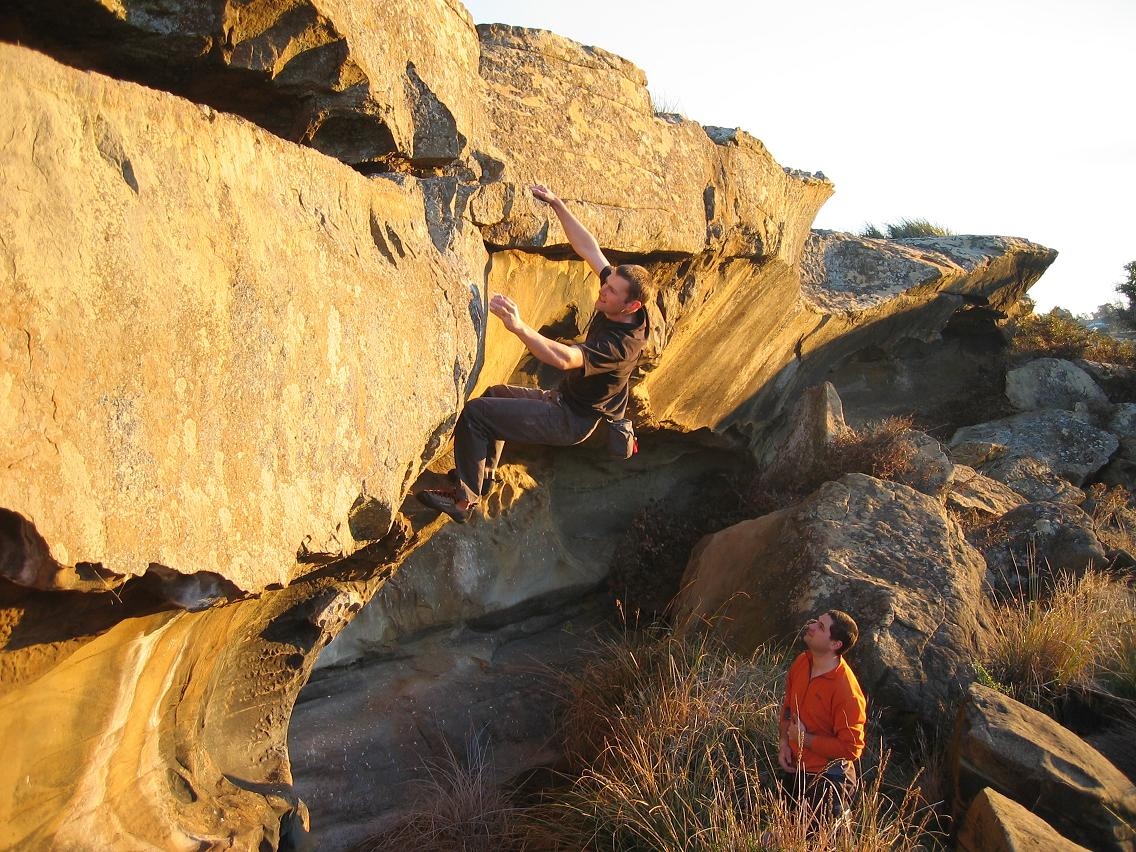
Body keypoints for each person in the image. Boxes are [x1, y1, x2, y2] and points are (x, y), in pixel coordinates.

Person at [416, 184, 651, 523]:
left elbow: (565, 359)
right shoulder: (621, 299)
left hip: (570, 420)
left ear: (632, 305)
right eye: (607, 282)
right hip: (563, 400)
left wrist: (518, 326)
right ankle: (484, 478)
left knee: (476, 414)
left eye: (612, 291)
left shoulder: (621, 345)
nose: (603, 290)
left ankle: (463, 502)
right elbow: (589, 248)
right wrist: (557, 204)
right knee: (494, 395)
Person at [777, 609, 867, 816]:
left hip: (828, 781)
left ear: (835, 644)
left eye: (820, 627)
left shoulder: (846, 691)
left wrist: (804, 740)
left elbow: (851, 749)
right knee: (786, 829)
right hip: (795, 768)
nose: (810, 626)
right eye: (815, 622)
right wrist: (784, 743)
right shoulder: (802, 662)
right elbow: (789, 707)